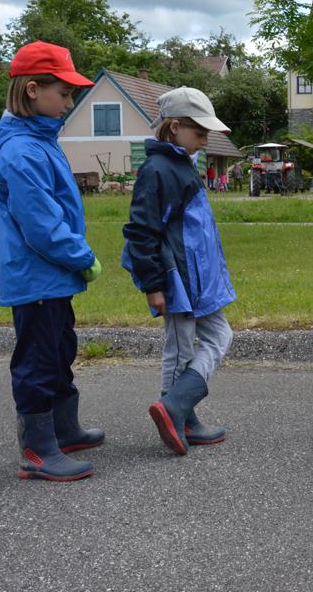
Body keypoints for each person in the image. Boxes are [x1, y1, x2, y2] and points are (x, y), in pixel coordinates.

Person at [0, 41, 103, 481]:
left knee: (59, 351)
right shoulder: (22, 151)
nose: (70, 103)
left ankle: (64, 429)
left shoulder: (40, 139)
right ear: (33, 89)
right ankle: (37, 450)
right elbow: (41, 224)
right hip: (35, 277)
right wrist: (82, 255)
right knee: (37, 360)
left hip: (52, 277)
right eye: (64, 93)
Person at [122, 87, 236, 456]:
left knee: (220, 336)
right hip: (178, 281)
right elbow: (142, 231)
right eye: (199, 133)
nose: (204, 141)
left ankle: (178, 408)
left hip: (200, 283)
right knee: (181, 349)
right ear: (173, 128)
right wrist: (154, 285)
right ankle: (175, 414)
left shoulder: (182, 163)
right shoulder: (158, 170)